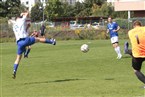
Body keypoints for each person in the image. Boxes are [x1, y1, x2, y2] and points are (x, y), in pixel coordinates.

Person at [12, 11, 56, 79]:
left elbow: (23, 29)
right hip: (25, 39)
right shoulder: (21, 20)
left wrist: (26, 27)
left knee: (18, 58)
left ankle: (14, 70)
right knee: (38, 39)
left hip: (19, 43)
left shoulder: (14, 25)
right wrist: (23, 14)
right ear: (19, 17)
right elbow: (27, 13)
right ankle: (52, 42)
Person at [128, 20, 145, 84]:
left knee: (136, 70)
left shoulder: (130, 32)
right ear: (140, 25)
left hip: (137, 54)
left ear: (133, 26)